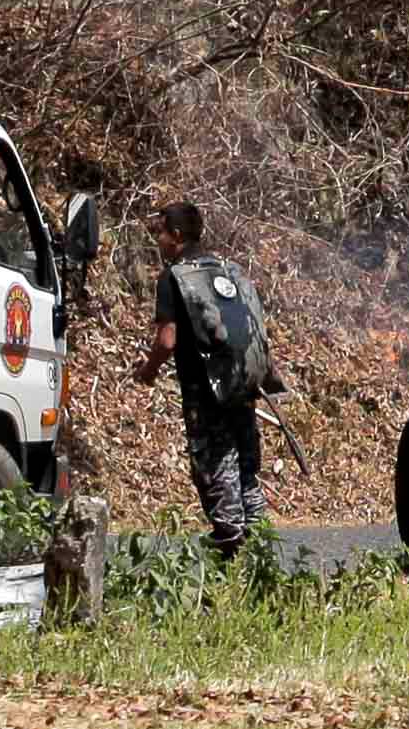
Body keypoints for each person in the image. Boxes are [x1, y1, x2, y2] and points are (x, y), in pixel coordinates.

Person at [138, 200, 273, 557]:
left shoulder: (174, 277)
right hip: (242, 382)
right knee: (246, 467)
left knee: (215, 465)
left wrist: (147, 372)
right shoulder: (226, 270)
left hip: (204, 391)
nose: (159, 241)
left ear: (177, 235)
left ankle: (232, 552)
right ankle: (261, 552)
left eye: (161, 233)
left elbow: (168, 338)